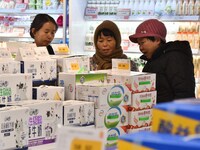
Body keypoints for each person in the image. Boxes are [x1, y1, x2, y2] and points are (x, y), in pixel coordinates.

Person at [129, 19, 196, 103]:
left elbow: (184, 93)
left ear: (157, 40)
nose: (141, 48)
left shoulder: (175, 57)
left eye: (142, 42)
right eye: (139, 44)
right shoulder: (155, 59)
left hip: (170, 114)